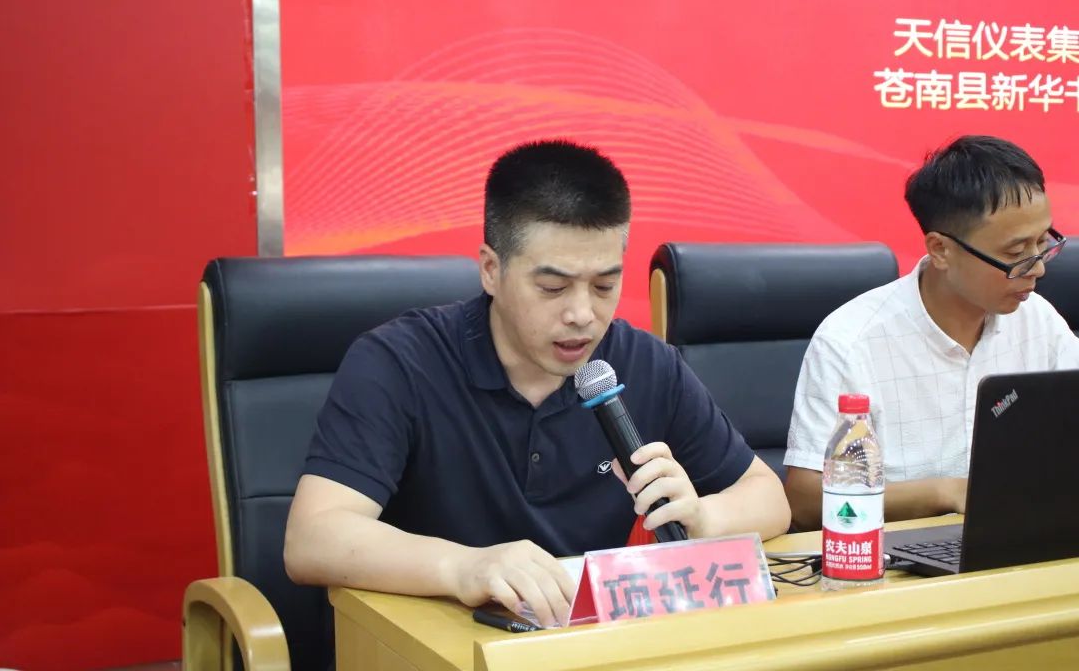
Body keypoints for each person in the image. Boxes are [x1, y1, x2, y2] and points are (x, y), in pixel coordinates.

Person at [284, 139, 790, 628]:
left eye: (604, 285)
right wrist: (464, 567)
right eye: (553, 287)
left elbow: (768, 497)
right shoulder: (400, 362)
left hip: (590, 645)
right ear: (491, 269)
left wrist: (702, 517)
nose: (582, 314)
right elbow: (312, 538)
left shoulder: (646, 364)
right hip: (444, 644)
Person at [784, 135, 1079, 530]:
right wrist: (946, 493)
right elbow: (806, 499)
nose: (1037, 267)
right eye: (1015, 254)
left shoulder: (1038, 320)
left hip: (1017, 536)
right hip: (891, 553)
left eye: (1043, 243)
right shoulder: (851, 341)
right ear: (940, 250)